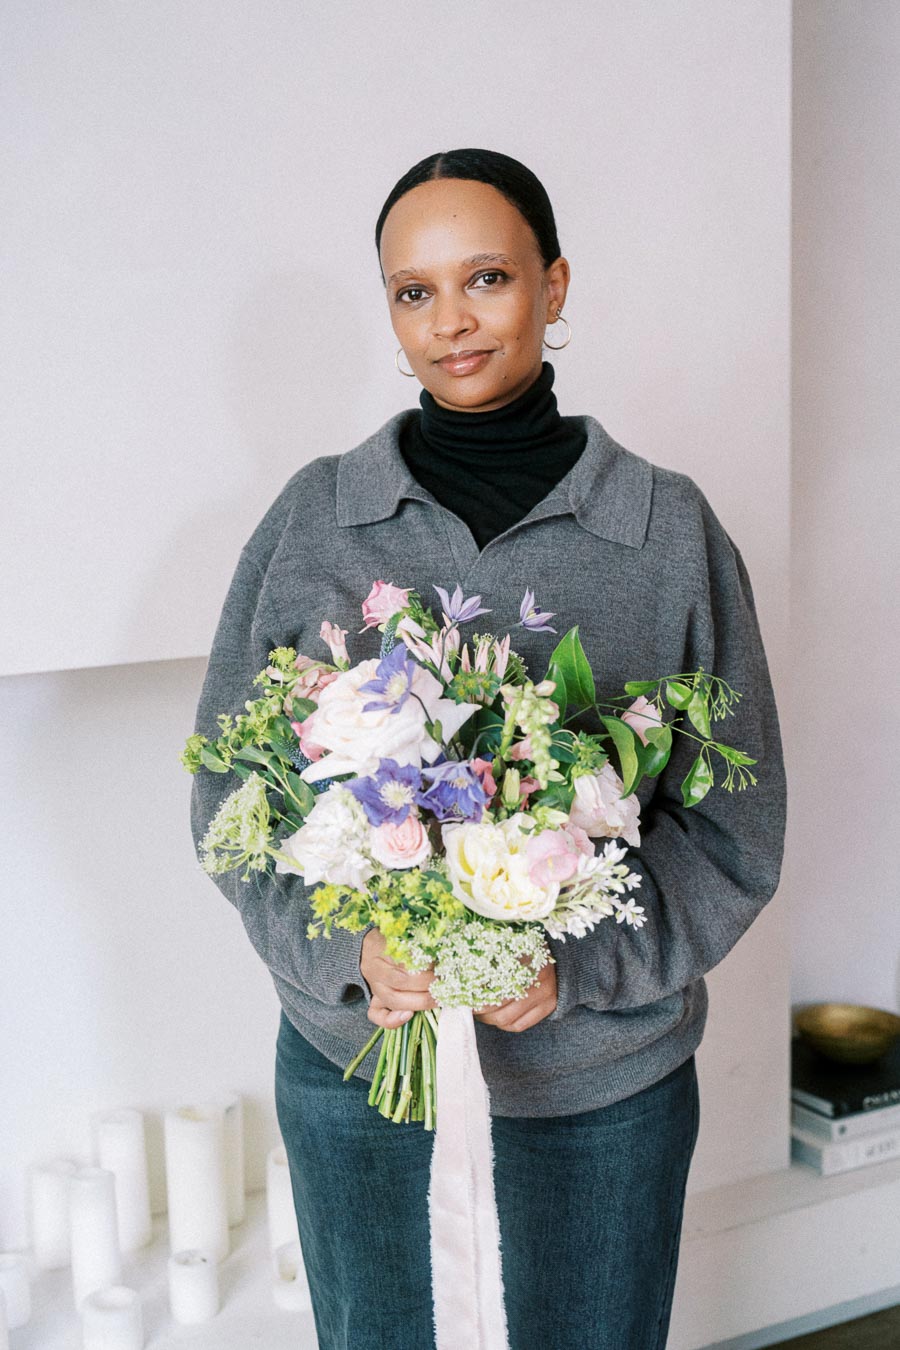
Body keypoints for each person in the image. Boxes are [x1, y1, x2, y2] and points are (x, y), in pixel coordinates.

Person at [189, 147, 787, 1350]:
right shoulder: (314, 519)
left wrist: (583, 971)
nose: (451, 323)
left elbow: (734, 826)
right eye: (415, 293)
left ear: (555, 287)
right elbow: (226, 789)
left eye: (488, 280)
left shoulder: (665, 531)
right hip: (362, 1078)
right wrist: (349, 947)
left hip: (597, 1097)